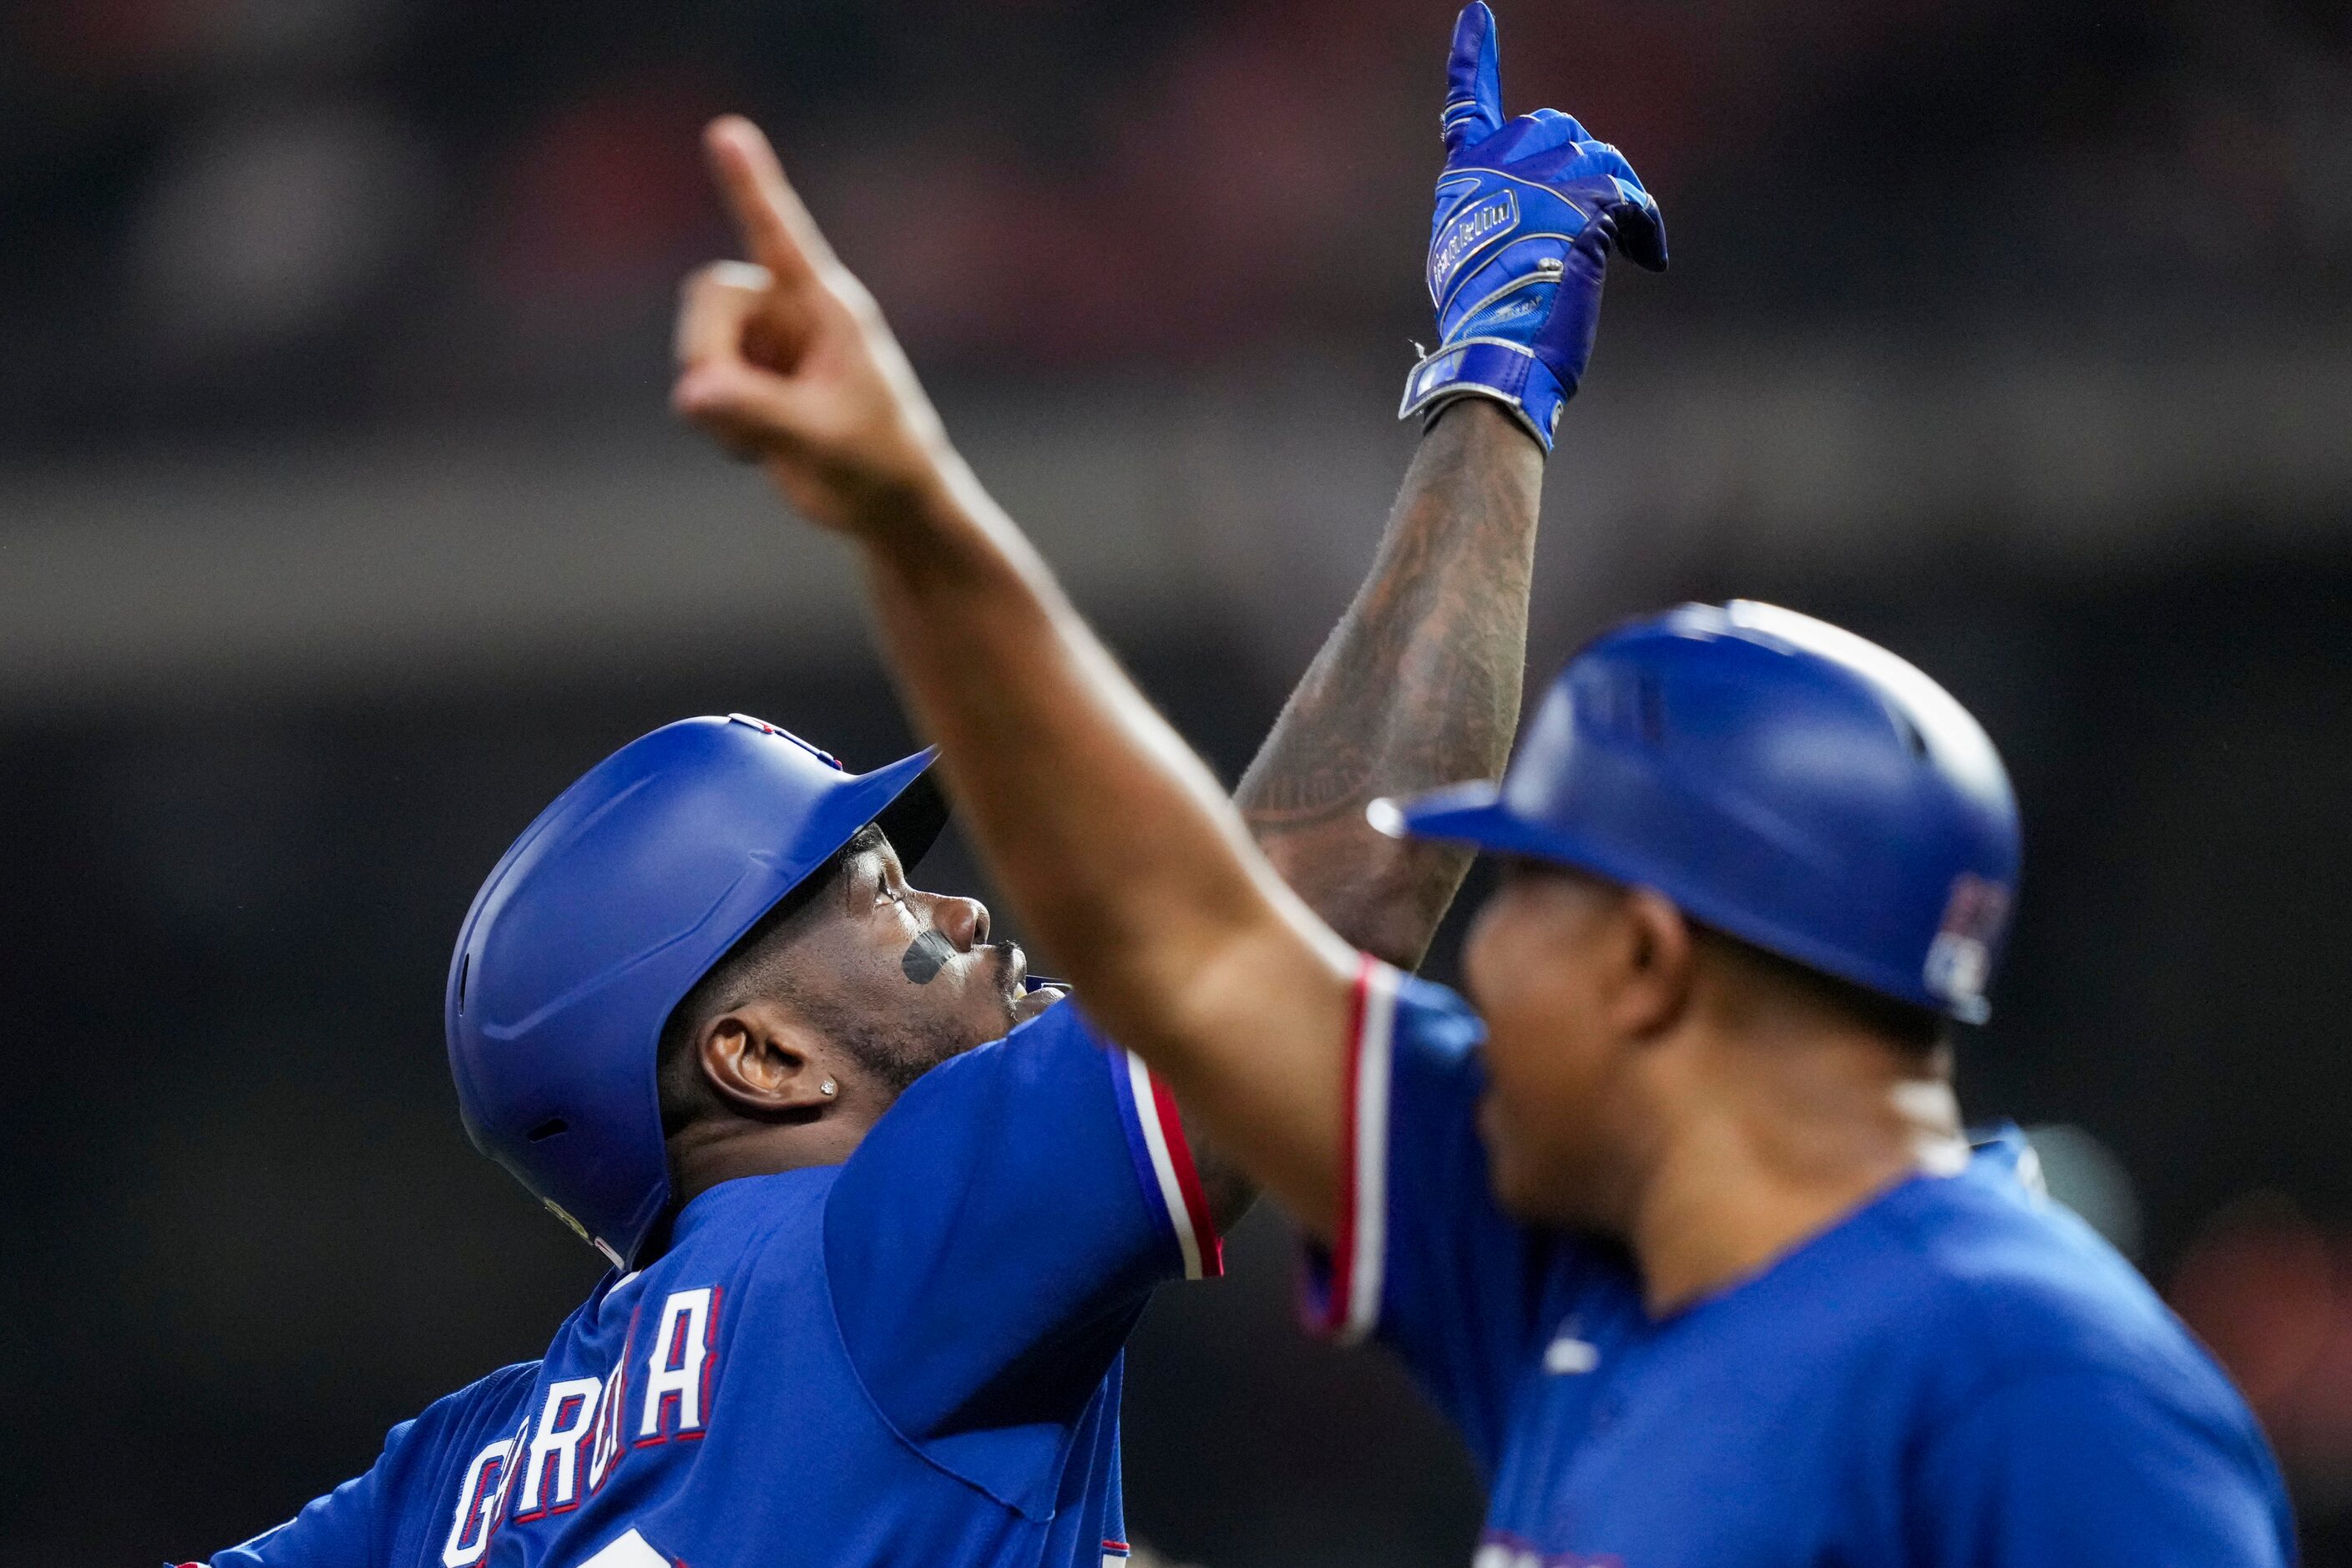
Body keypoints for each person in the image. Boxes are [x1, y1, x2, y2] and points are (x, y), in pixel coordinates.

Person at [669, 1, 2298, 1562]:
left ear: (1649, 963)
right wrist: (910, 515)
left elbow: (1249, 927)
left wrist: (914, 513)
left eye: (1521, 901)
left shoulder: (2039, 1385)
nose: (1473, 961)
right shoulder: (1558, 1264)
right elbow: (1187, 937)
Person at [180, 9, 1666, 1565]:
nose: (963, 903)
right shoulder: (873, 1248)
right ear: (756, 1056)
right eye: (876, 894)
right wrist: (1492, 376)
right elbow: (1310, 915)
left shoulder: (444, 1484)